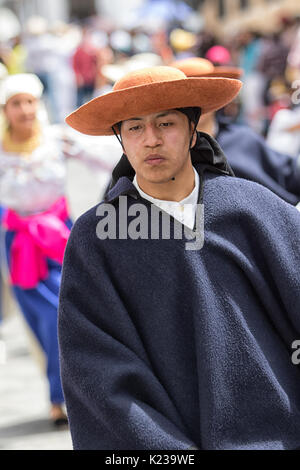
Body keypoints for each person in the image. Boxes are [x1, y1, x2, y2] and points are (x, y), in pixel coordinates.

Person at [59, 66, 300, 450]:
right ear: (120, 139)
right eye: (134, 127)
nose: (151, 140)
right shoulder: (97, 239)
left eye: (166, 123)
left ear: (193, 129)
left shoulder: (255, 209)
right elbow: (99, 376)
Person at [0, 72, 116, 426]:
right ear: (5, 110)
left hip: (60, 237)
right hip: (19, 244)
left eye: (30, 102)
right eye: (16, 103)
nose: (25, 110)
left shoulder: (57, 140)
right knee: (41, 320)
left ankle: (66, 394)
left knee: (64, 314)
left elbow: (109, 159)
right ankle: (59, 395)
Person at [172, 57, 300, 206]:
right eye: (182, 100)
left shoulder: (243, 139)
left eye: (200, 94)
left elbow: (291, 173)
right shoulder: (171, 161)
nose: (192, 106)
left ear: (214, 97)